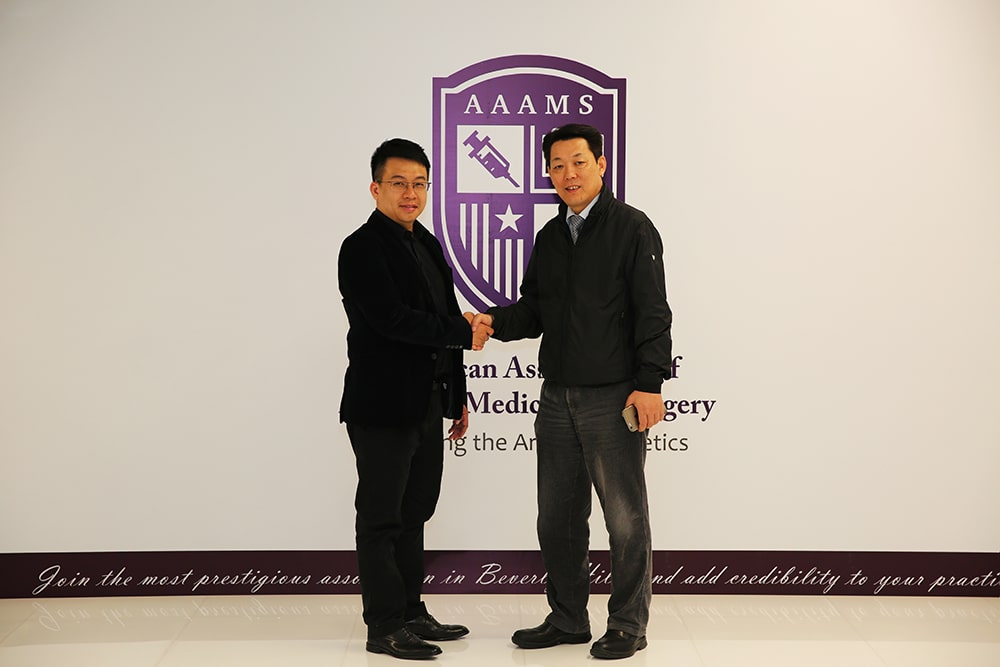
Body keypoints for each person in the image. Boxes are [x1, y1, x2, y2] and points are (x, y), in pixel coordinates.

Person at [471, 124, 672, 660]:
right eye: (557, 166)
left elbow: (654, 312)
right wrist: (492, 323)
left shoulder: (632, 228)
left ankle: (628, 625)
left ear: (601, 165)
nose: (568, 174)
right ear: (548, 173)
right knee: (556, 518)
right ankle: (567, 619)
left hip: (614, 397)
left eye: (578, 162)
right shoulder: (550, 238)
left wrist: (649, 385)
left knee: (625, 518)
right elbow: (534, 310)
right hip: (556, 395)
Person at [338, 138, 491, 660]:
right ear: (376, 187)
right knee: (382, 516)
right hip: (382, 407)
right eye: (399, 183)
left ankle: (410, 609)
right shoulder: (360, 247)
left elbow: (443, 326)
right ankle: (383, 626)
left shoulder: (425, 243)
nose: (410, 193)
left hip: (427, 403)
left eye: (420, 184)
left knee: (416, 510)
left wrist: (457, 395)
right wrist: (459, 329)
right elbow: (392, 321)